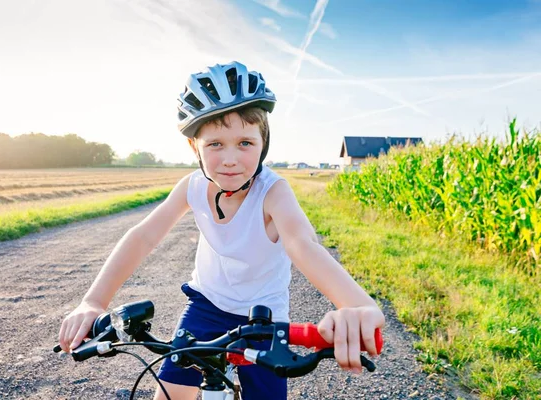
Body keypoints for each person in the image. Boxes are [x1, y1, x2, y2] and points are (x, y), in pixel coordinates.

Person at [58, 61, 385, 400]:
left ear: (264, 143)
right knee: (169, 395)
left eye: (245, 142)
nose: (230, 159)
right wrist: (93, 301)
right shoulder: (192, 186)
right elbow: (143, 237)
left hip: (263, 317)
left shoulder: (274, 193)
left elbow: (304, 245)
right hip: (206, 304)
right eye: (215, 144)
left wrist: (356, 305)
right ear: (194, 147)